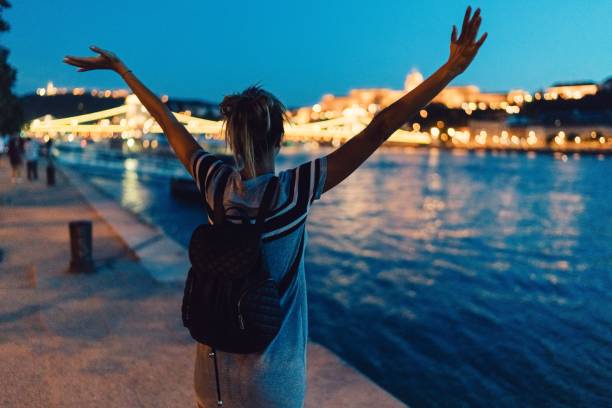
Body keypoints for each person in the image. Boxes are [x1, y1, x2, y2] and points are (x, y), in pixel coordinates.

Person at [64, 6, 486, 407]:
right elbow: (378, 129)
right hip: (272, 388)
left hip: (212, 382)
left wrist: (123, 71)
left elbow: (168, 122)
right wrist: (449, 70)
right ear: (280, 139)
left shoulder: (213, 185)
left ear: (230, 138)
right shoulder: (293, 191)